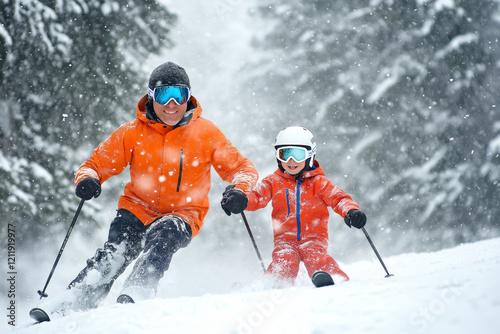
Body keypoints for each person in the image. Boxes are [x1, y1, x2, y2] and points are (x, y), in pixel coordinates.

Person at [47, 61, 258, 313]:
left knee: (164, 237)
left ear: (188, 97)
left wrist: (240, 190)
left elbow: (243, 169)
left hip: (184, 213)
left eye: (179, 95)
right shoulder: (132, 133)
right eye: (163, 94)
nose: (172, 104)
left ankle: (138, 289)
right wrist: (88, 179)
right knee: (117, 250)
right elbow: (94, 164)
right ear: (151, 96)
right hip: (137, 207)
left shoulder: (205, 133)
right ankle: (73, 302)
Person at [221, 126, 366, 286]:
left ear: (310, 155)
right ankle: (274, 282)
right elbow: (257, 196)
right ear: (278, 156)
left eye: (298, 155)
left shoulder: (319, 183)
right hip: (285, 239)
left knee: (315, 256)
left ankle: (331, 277)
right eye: (285, 154)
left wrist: (351, 211)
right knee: (284, 259)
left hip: (314, 237)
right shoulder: (273, 182)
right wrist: (242, 200)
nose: (291, 161)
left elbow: (338, 199)